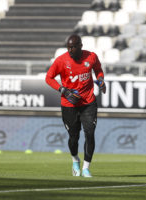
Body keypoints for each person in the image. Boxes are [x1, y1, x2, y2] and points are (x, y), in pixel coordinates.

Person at [45, 34, 106, 178]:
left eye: (73, 47)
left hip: (88, 102)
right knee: (74, 137)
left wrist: (101, 79)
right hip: (69, 104)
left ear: (80, 46)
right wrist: (62, 90)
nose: (70, 50)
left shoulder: (91, 57)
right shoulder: (61, 61)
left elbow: (98, 69)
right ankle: (75, 160)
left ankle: (86, 168)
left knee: (89, 133)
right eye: (69, 47)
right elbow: (48, 77)